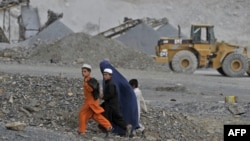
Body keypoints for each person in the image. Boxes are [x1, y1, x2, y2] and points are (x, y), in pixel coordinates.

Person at [78, 63, 112, 137]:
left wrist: (86, 85)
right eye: (82, 71)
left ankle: (82, 131)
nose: (83, 73)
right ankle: (108, 126)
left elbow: (91, 89)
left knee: (82, 114)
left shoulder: (89, 80)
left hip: (90, 102)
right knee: (95, 116)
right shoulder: (87, 80)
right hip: (92, 102)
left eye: (85, 71)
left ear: (89, 72)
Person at [100, 68, 132, 137]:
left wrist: (103, 97)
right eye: (104, 75)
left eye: (106, 75)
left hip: (111, 105)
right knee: (116, 119)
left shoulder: (110, 84)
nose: (104, 76)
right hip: (112, 105)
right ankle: (126, 127)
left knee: (109, 118)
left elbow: (110, 94)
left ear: (110, 76)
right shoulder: (109, 83)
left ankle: (107, 132)